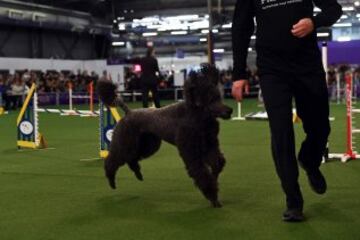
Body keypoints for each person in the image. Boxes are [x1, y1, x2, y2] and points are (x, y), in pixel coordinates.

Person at [231, 0, 342, 222]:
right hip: (272, 70)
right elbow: (240, 28)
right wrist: (239, 74)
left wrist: (314, 22)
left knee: (320, 127)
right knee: (281, 133)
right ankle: (293, 201)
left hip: (307, 66)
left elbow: (334, 9)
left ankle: (309, 160)